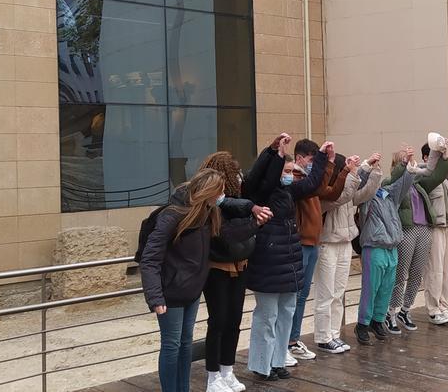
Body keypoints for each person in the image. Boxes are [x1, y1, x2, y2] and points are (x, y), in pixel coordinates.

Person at [242, 135, 330, 381]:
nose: (290, 173)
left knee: (286, 312)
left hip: (289, 261)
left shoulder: (289, 191)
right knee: (267, 316)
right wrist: (274, 152)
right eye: (286, 169)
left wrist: (321, 156)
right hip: (269, 262)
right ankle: (263, 364)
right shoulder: (262, 191)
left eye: (292, 169)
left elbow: (312, 183)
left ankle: (278, 360)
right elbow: (260, 176)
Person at [140, 168, 226, 392]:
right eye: (219, 191)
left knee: (186, 343)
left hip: (192, 291)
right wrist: (155, 297)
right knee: (171, 345)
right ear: (208, 192)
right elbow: (150, 258)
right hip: (171, 293)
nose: (222, 196)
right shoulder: (173, 215)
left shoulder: (208, 213)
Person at [198, 152, 272, 392]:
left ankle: (227, 370)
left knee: (234, 321)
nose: (239, 178)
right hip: (218, 267)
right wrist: (252, 224)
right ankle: (213, 376)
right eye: (235, 173)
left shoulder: (237, 201)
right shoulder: (212, 203)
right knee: (218, 321)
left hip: (240, 264)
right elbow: (224, 235)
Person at [312, 152, 382, 353]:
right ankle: (323, 337)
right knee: (325, 294)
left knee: (338, 292)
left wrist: (373, 170)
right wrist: (358, 171)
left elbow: (365, 193)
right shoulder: (325, 192)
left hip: (344, 243)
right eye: (346, 167)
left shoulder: (347, 189)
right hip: (327, 244)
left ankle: (334, 333)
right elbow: (340, 198)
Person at [287, 139, 348, 362]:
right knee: (294, 295)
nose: (314, 165)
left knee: (302, 294)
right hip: (301, 241)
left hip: (312, 241)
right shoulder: (296, 178)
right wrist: (326, 161)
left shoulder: (310, 180)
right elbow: (316, 184)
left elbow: (326, 190)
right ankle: (289, 341)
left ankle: (293, 339)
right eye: (312, 160)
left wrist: (336, 167)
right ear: (300, 158)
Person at [385, 136, 448, 334]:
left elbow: (437, 175)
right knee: (400, 273)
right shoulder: (391, 182)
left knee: (417, 273)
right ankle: (391, 311)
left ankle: (405, 309)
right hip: (407, 230)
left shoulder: (418, 183)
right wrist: (404, 165)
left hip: (424, 228)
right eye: (406, 160)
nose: (411, 163)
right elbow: (395, 179)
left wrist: (443, 156)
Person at [354, 146, 416, 345]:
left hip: (392, 248)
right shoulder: (366, 198)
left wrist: (407, 163)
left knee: (386, 288)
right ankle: (362, 324)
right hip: (374, 246)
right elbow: (360, 183)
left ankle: (378, 320)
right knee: (370, 289)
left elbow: (404, 182)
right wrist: (367, 166)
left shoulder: (390, 195)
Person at [421, 139, 448, 325]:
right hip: (435, 228)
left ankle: (444, 307)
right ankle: (433, 309)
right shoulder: (423, 176)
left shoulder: (444, 176)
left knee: (447, 271)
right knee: (434, 271)